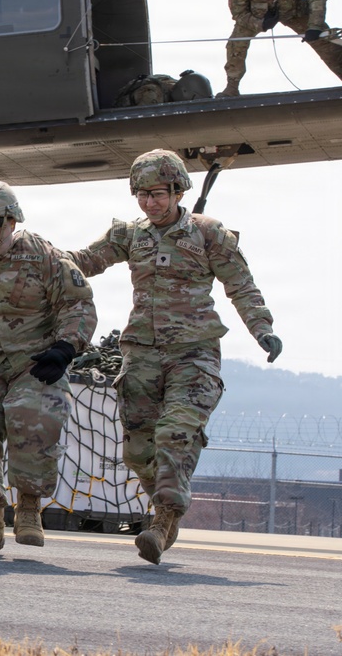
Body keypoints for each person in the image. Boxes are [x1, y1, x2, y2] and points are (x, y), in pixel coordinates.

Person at [65, 149, 283, 564]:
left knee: (175, 431)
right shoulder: (130, 235)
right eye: (143, 195)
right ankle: (165, 508)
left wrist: (262, 328)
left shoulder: (208, 233)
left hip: (194, 352)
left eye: (159, 194)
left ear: (178, 190)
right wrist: (33, 256)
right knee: (137, 450)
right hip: (141, 352)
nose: (151, 203)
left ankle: (163, 520)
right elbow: (83, 260)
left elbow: (241, 284)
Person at [0, 180, 97, 555]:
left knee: (32, 415)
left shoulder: (43, 257)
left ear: (11, 221)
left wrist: (65, 347)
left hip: (37, 360)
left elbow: (79, 304)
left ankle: (28, 505)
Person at [218, 0, 342, 97]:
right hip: (256, 17)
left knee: (328, 44)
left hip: (294, 13)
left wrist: (315, 26)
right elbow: (239, 13)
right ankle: (232, 86)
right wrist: (261, 24)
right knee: (235, 44)